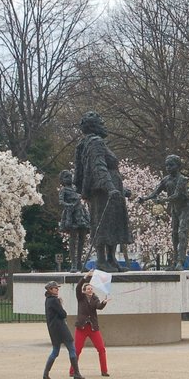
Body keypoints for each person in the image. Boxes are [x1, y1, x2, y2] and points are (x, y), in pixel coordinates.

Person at [75, 111, 133, 273]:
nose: (104, 125)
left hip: (111, 188)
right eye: (101, 122)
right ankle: (101, 260)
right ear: (94, 126)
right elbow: (98, 167)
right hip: (103, 191)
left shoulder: (90, 143)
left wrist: (121, 189)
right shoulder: (95, 143)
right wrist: (110, 187)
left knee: (113, 223)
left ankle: (111, 259)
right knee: (103, 223)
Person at [138, 154, 189, 270]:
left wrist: (163, 200)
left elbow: (177, 195)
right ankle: (174, 262)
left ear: (178, 166)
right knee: (174, 235)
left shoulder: (182, 180)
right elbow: (155, 192)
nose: (168, 167)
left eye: (171, 165)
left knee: (182, 233)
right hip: (174, 209)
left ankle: (180, 262)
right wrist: (145, 198)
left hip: (184, 208)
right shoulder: (166, 180)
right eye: (167, 165)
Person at [71, 270, 110, 377]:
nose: (90, 290)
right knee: (77, 350)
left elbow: (98, 307)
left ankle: (104, 371)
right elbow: (78, 287)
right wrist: (85, 277)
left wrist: (104, 302)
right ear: (84, 291)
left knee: (101, 349)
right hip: (81, 328)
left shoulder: (95, 298)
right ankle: (72, 371)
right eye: (88, 289)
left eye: (91, 288)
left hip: (93, 327)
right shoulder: (81, 297)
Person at [43, 280, 84, 379]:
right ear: (50, 289)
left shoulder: (48, 300)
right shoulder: (54, 300)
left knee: (55, 351)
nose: (57, 289)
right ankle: (76, 373)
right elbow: (63, 314)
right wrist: (60, 304)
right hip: (61, 328)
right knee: (71, 348)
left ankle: (45, 373)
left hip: (53, 329)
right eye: (55, 288)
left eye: (57, 288)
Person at [58, 169, 90, 271]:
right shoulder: (64, 190)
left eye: (70, 176)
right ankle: (74, 264)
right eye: (66, 177)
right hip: (71, 214)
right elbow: (61, 201)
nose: (69, 178)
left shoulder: (75, 189)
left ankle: (80, 263)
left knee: (82, 239)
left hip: (80, 213)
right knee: (73, 239)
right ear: (62, 180)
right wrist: (69, 205)